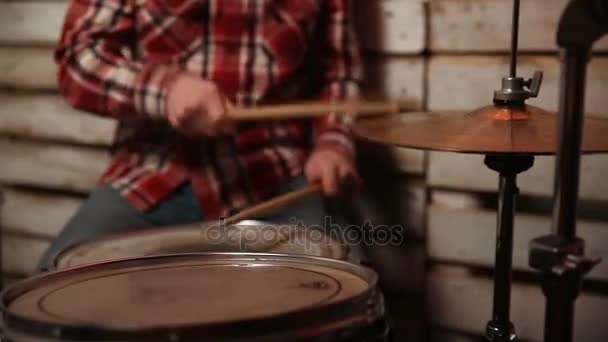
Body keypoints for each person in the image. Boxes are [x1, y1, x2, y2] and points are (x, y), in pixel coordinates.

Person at [37, 0, 363, 271]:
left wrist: (333, 143)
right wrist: (167, 91)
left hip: (275, 175)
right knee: (49, 293)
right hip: (151, 175)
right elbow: (80, 57)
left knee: (347, 294)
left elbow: (338, 70)